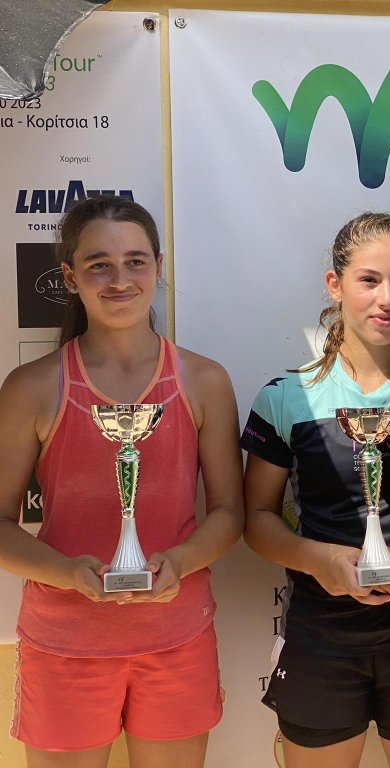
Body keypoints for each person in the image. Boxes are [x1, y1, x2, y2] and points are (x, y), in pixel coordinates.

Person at [0, 195, 244, 767]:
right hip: (65, 642)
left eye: (135, 261)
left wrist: (179, 562)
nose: (119, 279)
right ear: (70, 277)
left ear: (158, 267)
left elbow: (229, 512)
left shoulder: (204, 380)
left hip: (176, 635)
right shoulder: (32, 386)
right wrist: (68, 573)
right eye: (99, 265)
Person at [242, 212, 390, 768]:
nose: (387, 298)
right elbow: (256, 518)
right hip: (319, 639)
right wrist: (318, 560)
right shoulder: (288, 395)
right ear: (335, 284)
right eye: (369, 280)